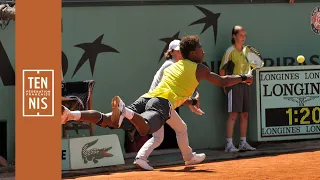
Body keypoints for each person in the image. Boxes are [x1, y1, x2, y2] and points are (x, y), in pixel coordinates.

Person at [61, 35, 253, 159]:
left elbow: (175, 90)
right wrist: (244, 77)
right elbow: (223, 81)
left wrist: (190, 101)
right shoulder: (199, 68)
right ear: (193, 53)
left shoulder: (174, 66)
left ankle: (70, 114)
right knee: (145, 129)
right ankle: (125, 111)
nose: (204, 51)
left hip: (147, 98)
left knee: (108, 120)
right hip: (161, 103)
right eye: (201, 49)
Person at [133, 39, 206, 170]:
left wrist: (192, 104)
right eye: (177, 51)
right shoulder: (171, 65)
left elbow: (180, 93)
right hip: (158, 103)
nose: (180, 53)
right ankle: (141, 158)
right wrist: (192, 103)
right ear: (171, 52)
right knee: (161, 135)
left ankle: (188, 157)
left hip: (161, 102)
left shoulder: (178, 65)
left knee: (178, 129)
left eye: (180, 51)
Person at [219, 26, 256, 152]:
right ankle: (229, 144)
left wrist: (249, 78)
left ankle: (243, 143)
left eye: (244, 36)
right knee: (233, 115)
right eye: (240, 35)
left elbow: (250, 67)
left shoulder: (247, 51)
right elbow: (222, 70)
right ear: (234, 36)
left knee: (245, 115)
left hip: (246, 85)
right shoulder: (229, 51)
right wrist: (225, 85)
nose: (243, 38)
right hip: (233, 86)